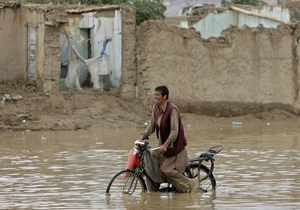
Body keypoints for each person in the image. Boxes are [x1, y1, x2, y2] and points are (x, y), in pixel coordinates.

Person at [140, 85, 199, 193]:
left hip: (174, 149)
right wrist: (141, 138)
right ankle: (153, 191)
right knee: (150, 167)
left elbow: (174, 131)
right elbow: (151, 126)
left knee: (164, 169)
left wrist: (166, 144)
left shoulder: (172, 110)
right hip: (162, 147)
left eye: (157, 95)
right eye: (154, 95)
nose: (155, 97)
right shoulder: (156, 108)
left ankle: (191, 183)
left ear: (164, 96)